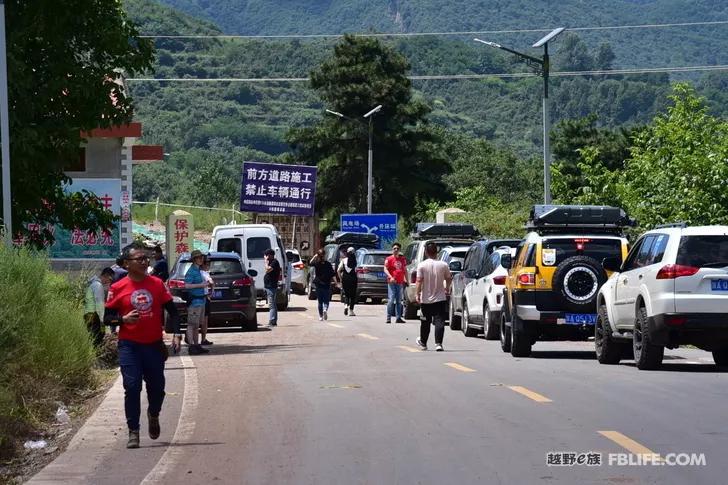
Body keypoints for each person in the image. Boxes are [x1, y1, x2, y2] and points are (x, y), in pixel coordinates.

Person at [103, 242, 183, 449]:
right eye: (139, 259)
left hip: (153, 345)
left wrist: (176, 334)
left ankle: (153, 413)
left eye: (146, 258)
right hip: (129, 346)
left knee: (157, 389)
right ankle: (134, 431)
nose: (145, 261)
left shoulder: (156, 284)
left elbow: (172, 311)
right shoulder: (117, 288)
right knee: (132, 387)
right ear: (127, 264)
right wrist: (123, 320)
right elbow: (107, 319)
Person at [415, 242, 452, 352]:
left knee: (425, 322)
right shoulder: (443, 265)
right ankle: (438, 344)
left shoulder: (421, 265)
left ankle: (423, 342)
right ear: (437, 252)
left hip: (426, 299)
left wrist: (417, 294)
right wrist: (447, 288)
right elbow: (449, 278)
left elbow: (419, 281)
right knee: (439, 321)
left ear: (426, 252)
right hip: (440, 298)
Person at [184, 250, 210, 355]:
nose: (201, 259)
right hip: (194, 301)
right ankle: (191, 345)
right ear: (194, 259)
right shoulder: (191, 272)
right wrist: (201, 285)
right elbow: (187, 286)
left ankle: (196, 344)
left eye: (201, 257)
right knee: (191, 324)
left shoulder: (198, 270)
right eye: (198, 258)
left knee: (196, 325)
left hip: (201, 300)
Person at [84, 267, 115, 347]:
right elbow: (99, 304)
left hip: (89, 314)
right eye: (110, 279)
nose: (109, 282)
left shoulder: (93, 284)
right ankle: (96, 356)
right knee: (97, 339)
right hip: (94, 316)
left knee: (92, 337)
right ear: (106, 276)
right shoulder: (98, 286)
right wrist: (103, 320)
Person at [310, 248, 336, 321]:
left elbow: (310, 263)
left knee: (320, 301)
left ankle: (320, 316)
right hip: (326, 283)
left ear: (318, 255)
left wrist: (315, 256)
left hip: (318, 283)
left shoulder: (317, 263)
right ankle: (325, 309)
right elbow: (333, 274)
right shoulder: (328, 264)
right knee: (326, 300)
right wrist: (336, 283)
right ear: (325, 255)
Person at [384, 242, 408, 323]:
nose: (396, 250)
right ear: (392, 249)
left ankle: (398, 317)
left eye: (397, 248)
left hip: (400, 282)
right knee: (391, 300)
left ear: (399, 250)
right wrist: (390, 277)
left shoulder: (402, 259)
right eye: (394, 248)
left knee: (399, 300)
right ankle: (388, 317)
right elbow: (385, 269)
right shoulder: (389, 259)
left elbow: (405, 270)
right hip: (391, 282)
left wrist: (406, 280)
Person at [337, 247, 358, 317]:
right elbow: (356, 270)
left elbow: (338, 270)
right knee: (353, 295)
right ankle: (351, 310)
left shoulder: (343, 260)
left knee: (346, 294)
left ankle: (346, 305)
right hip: (353, 279)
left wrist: (340, 279)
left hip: (345, 279)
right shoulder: (355, 260)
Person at [264, 248, 281, 327]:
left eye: (267, 255)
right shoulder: (271, 262)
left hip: (271, 286)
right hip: (269, 286)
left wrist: (265, 262)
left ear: (270, 255)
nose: (266, 256)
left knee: (271, 304)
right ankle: (273, 320)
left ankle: (272, 321)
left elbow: (267, 270)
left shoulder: (274, 262)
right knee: (272, 303)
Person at [200, 255, 214, 345]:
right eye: (207, 263)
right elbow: (211, 283)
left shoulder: (197, 272)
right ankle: (203, 339)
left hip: (196, 298)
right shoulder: (204, 273)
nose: (208, 265)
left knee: (197, 320)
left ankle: (191, 337)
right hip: (203, 298)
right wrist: (211, 293)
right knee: (204, 320)